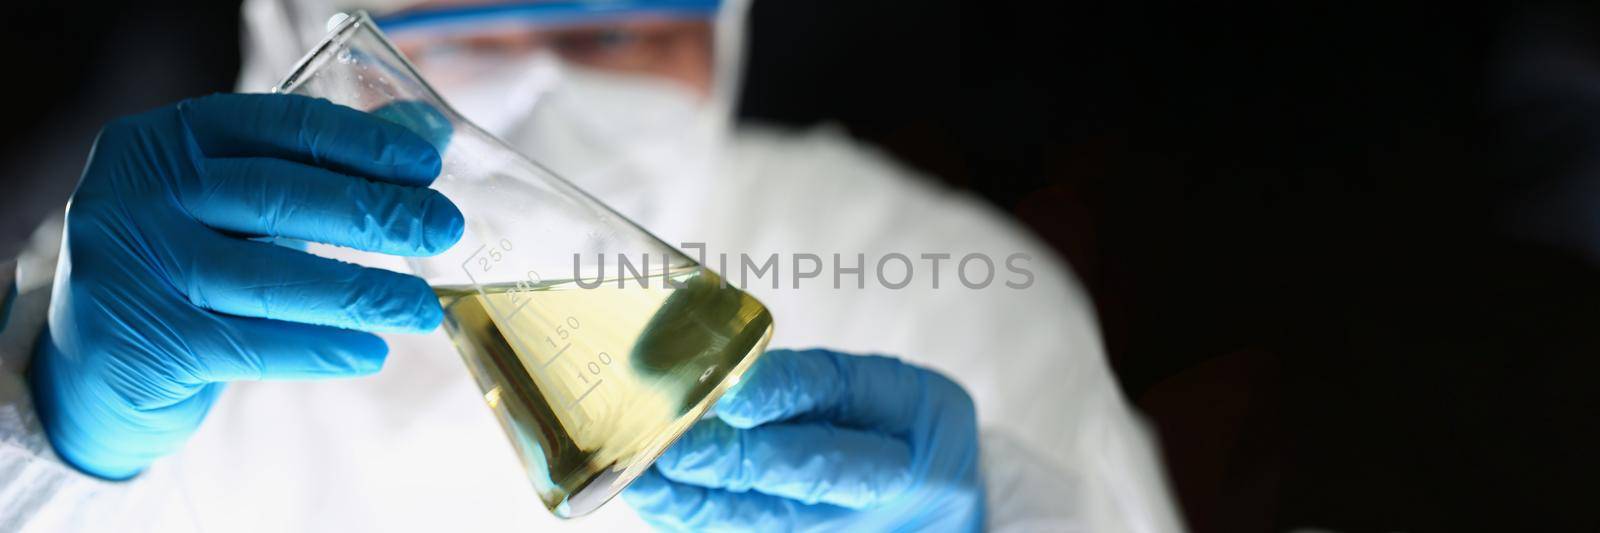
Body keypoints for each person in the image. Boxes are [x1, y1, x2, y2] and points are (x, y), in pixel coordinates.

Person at [0, 0, 1183, 531]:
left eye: (612, 30)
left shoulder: (921, 272)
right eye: (460, 25)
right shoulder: (167, 280)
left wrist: (1003, 524)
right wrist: (58, 438)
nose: (541, 83)